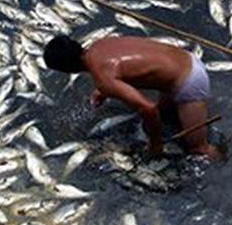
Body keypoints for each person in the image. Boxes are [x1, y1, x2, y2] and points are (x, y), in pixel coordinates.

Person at [43, 35, 221, 160]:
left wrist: (155, 143)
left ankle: (226, 166)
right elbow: (127, 66)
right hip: (186, 60)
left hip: (189, 82)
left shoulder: (104, 79)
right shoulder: (100, 44)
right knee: (166, 115)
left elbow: (148, 108)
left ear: (67, 69)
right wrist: (104, 90)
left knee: (198, 149)